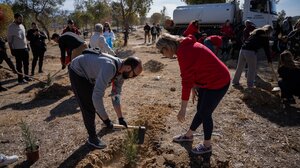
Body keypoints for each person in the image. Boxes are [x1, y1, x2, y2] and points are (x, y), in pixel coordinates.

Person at [156, 33, 230, 154]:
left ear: (167, 48)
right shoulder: (184, 47)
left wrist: (183, 109)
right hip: (208, 80)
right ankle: (189, 135)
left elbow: (185, 81)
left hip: (218, 81)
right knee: (201, 109)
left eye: (161, 51)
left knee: (205, 113)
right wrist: (194, 86)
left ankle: (207, 145)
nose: (162, 55)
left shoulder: (184, 52)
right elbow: (193, 70)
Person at [68, 48, 143, 149]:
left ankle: (104, 121)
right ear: (129, 68)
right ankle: (92, 138)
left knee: (93, 101)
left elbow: (115, 95)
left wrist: (121, 118)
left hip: (90, 72)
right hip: (78, 71)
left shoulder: (121, 73)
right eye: (134, 75)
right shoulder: (109, 67)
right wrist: (107, 120)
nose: (132, 77)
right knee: (88, 105)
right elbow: (97, 96)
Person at [7, 13, 31, 84]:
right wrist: (11, 50)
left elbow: (24, 37)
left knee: (26, 64)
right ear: (15, 18)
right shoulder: (11, 27)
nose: (21, 20)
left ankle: (26, 77)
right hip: (17, 49)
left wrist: (27, 45)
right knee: (19, 65)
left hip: (25, 48)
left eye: (22, 19)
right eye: (20, 19)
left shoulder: (22, 26)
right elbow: (9, 40)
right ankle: (20, 80)